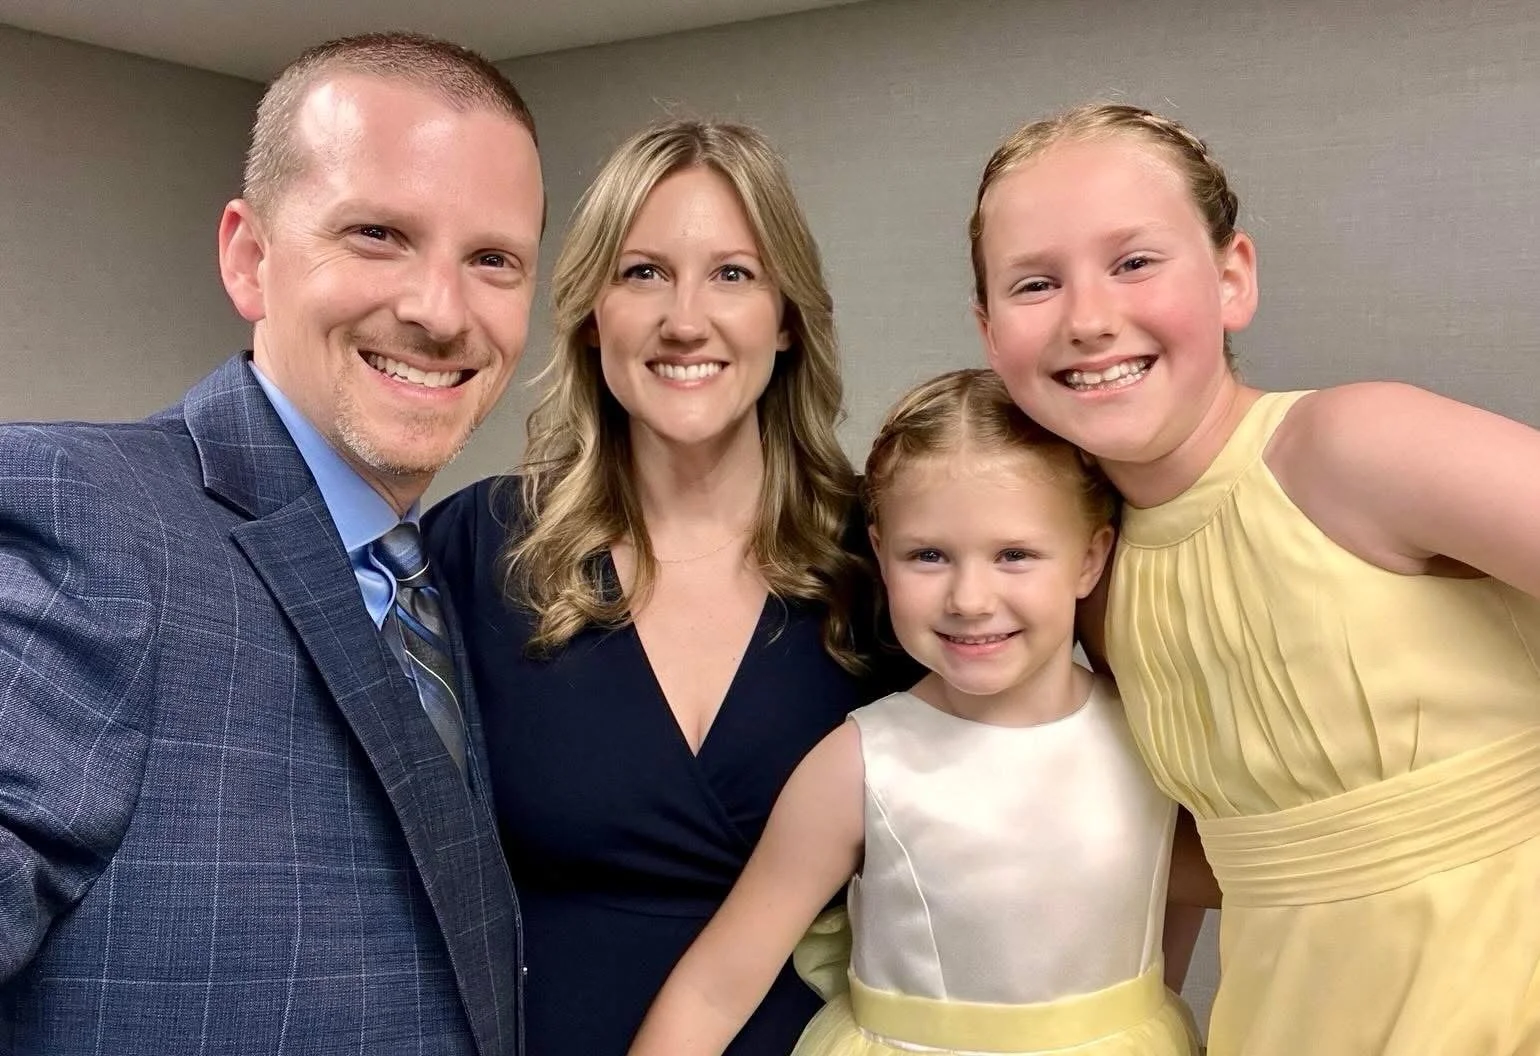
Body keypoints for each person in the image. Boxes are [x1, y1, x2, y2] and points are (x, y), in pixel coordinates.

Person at [0, 32, 544, 1055]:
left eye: (492, 260)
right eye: (378, 234)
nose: (440, 310)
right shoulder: (86, 523)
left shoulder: (437, 581)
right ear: (249, 258)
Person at [970, 102, 1540, 1055]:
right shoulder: (1101, 586)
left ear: (1232, 278)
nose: (1089, 319)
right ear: (990, 334)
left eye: (1134, 262)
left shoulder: (1354, 447)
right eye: (1036, 283)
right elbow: (1229, 848)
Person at [424, 119, 911, 1056]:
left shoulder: (891, 560)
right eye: (643, 272)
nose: (686, 319)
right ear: (591, 312)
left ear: (787, 318)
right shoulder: (478, 549)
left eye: (733, 274)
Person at [625, 367, 1201, 1056]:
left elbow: (1179, 899)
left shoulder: (1151, 733)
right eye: (929, 555)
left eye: (1014, 555)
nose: (970, 599)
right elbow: (718, 986)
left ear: (1090, 557)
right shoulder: (861, 765)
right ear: (880, 552)